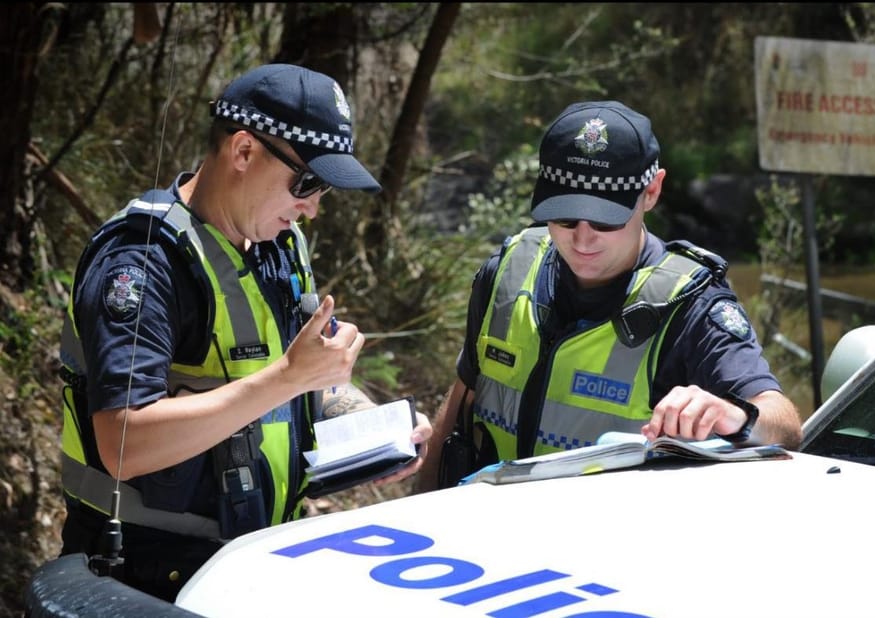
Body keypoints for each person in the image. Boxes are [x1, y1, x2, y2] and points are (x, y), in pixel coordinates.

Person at [58, 63, 432, 601]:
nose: (311, 208)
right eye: (306, 183)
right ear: (242, 152)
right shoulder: (142, 262)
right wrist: (286, 378)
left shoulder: (279, 245)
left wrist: (375, 428)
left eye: (323, 190)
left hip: (250, 564)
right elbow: (124, 442)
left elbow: (305, 381)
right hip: (145, 580)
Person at [418, 100, 801, 491]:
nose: (583, 239)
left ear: (651, 192)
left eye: (605, 220)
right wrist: (418, 504)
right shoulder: (506, 270)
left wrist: (733, 414)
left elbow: (784, 425)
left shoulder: (692, 306)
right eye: (565, 216)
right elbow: (463, 395)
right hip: (476, 529)